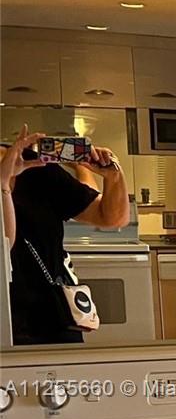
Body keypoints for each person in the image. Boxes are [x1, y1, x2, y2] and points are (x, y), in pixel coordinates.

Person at [2, 127, 131, 345]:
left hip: (54, 317)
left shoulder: (35, 166)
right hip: (7, 322)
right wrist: (3, 185)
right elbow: (6, 244)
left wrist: (113, 174)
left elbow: (110, 217)